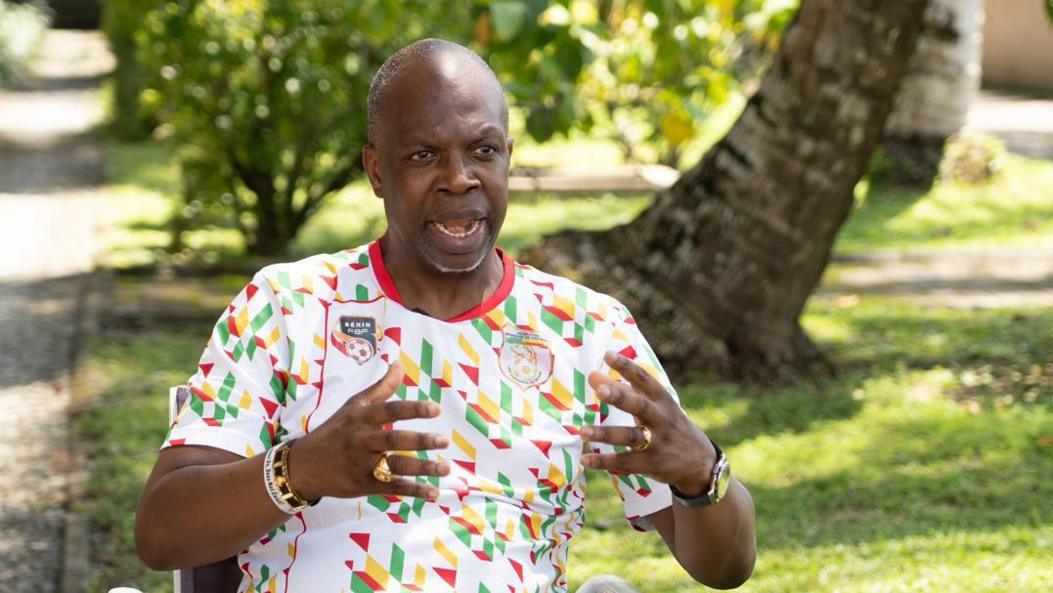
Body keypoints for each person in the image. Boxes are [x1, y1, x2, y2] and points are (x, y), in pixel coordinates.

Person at [134, 38, 756, 593]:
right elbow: (162, 532)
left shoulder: (589, 331)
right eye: (423, 156)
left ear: (508, 157)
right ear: (377, 170)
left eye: (482, 150)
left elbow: (725, 568)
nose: (459, 179)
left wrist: (703, 474)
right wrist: (305, 467)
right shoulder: (289, 307)